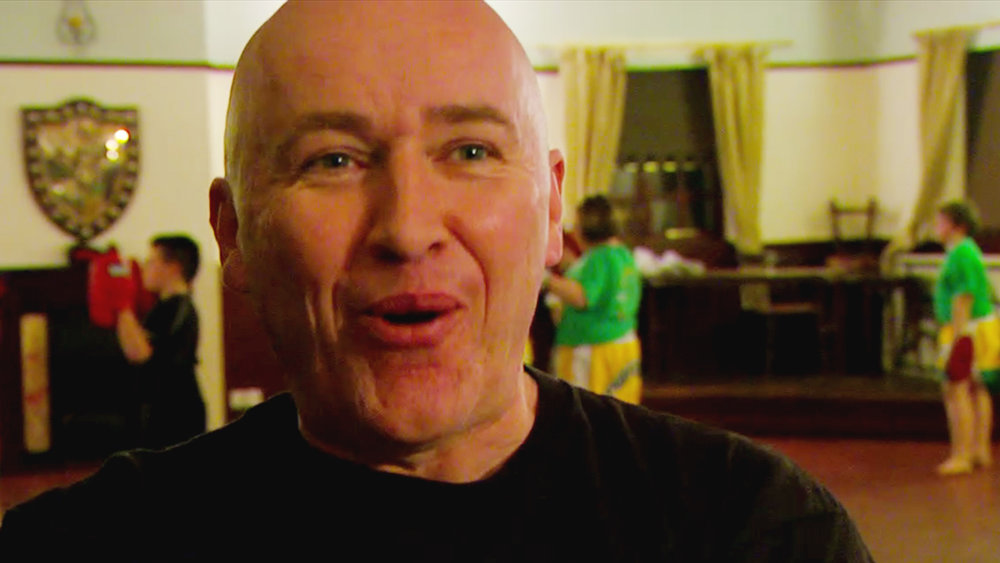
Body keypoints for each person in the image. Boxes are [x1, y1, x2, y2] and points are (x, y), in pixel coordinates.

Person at [0, 2, 872, 560]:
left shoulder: (755, 531)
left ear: (552, 208)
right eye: (333, 159)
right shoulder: (84, 545)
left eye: (471, 150)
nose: (408, 227)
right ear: (234, 232)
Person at [545, 195, 643, 404]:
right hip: (622, 342)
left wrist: (545, 280)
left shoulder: (599, 258)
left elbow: (583, 297)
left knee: (584, 408)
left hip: (592, 347)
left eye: (577, 223)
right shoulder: (622, 254)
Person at [117, 235, 206, 449]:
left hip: (176, 413)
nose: (145, 267)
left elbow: (140, 354)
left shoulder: (178, 307)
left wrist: (120, 303)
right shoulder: (163, 306)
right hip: (162, 409)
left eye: (151, 261)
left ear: (172, 268)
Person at [933, 201, 998, 476]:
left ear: (957, 225)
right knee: (977, 388)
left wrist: (958, 339)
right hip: (978, 327)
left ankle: (962, 454)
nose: (936, 227)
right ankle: (979, 449)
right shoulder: (967, 251)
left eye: (941, 221)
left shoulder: (961, 254)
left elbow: (964, 297)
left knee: (956, 390)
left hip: (965, 328)